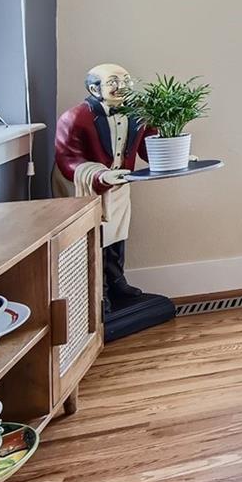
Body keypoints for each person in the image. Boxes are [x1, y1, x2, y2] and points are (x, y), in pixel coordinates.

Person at [54, 62, 176, 339]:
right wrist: (99, 176)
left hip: (120, 184)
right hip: (87, 186)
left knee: (118, 231)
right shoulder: (75, 117)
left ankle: (116, 282)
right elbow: (67, 159)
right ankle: (98, 293)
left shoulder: (135, 114)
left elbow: (148, 143)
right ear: (93, 88)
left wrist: (173, 154)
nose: (121, 87)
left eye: (125, 80)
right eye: (113, 81)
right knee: (94, 236)